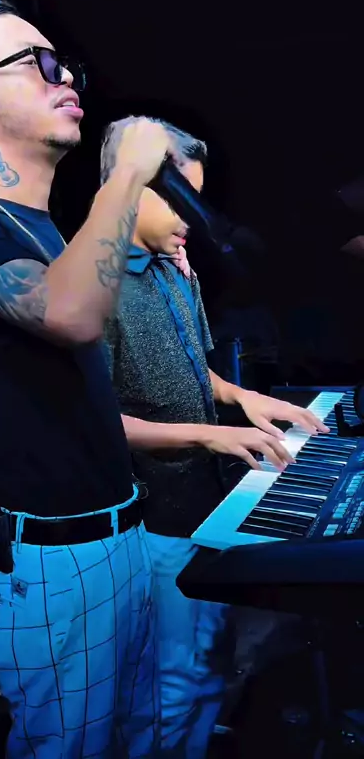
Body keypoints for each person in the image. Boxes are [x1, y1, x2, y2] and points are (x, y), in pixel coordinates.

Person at [0, 0, 172, 758]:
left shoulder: (49, 232)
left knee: (138, 740)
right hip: (59, 560)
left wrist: (212, 432)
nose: (66, 79)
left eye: (65, 64)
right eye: (38, 63)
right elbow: (71, 314)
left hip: (122, 533)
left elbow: (76, 407)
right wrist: (127, 172)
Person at [100, 116, 329, 758]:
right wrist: (207, 435)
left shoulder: (177, 269)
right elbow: (94, 422)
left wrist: (242, 397)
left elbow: (193, 368)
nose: (192, 221)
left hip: (206, 505)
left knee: (209, 664)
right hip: (154, 521)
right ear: (130, 186)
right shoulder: (96, 286)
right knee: (170, 680)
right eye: (180, 201)